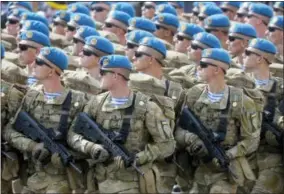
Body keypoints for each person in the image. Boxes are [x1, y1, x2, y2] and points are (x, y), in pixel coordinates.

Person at [67, 54, 175, 193]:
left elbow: (167, 144)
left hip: (133, 183)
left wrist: (140, 157)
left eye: (103, 72)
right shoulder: (96, 103)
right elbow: (73, 134)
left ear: (116, 76)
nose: (99, 76)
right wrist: (90, 147)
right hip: (99, 182)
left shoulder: (146, 107)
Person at [3, 47, 89, 193]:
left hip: (61, 180)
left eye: (39, 62)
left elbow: (87, 143)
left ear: (52, 71)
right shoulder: (32, 96)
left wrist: (67, 154)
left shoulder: (78, 101)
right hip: (32, 177)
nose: (33, 65)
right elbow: (10, 131)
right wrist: (32, 146)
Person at [176, 48, 260, 194]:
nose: (198, 68)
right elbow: (178, 129)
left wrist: (229, 154)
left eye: (203, 65)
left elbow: (251, 140)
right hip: (198, 169)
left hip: (225, 172)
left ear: (216, 70)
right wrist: (191, 139)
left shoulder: (241, 101)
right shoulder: (194, 94)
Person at [243, 38, 284, 194]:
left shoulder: (280, 87)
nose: (244, 56)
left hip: (271, 158)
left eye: (248, 53)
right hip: (243, 157)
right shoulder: (238, 84)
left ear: (260, 58)